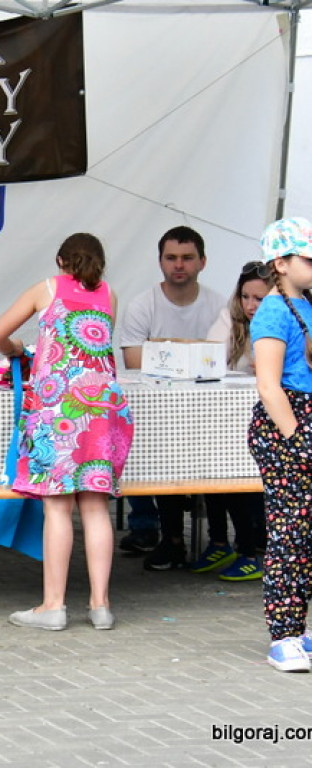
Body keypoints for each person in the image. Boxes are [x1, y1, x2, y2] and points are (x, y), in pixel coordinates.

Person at [0, 233, 133, 631]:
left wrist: (16, 348)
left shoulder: (46, 289)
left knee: (58, 507)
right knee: (96, 507)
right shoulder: (109, 295)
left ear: (59, 260)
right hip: (104, 407)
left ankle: (53, 606)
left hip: (60, 406)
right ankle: (101, 606)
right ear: (101, 263)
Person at [118, 226, 227, 569]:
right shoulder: (142, 305)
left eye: (187, 258)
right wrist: (191, 362)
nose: (179, 265)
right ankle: (155, 531)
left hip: (207, 412)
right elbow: (133, 364)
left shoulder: (219, 305)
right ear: (160, 262)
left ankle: (222, 541)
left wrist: (169, 361)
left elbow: (225, 360)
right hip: (156, 411)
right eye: (171, 258)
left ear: (203, 262)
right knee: (144, 444)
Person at [247, 217, 312, 672]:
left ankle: (300, 632)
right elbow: (269, 385)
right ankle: (284, 634)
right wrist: (296, 437)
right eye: (308, 259)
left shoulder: (304, 303)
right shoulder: (273, 311)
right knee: (290, 531)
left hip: (303, 417)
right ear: (281, 263)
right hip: (287, 423)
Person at [192, 262, 269, 581]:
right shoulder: (230, 317)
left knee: (238, 475)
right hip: (232, 418)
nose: (250, 305)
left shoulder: (283, 321)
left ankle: (249, 551)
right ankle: (220, 542)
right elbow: (208, 359)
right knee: (212, 463)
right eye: (245, 296)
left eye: (259, 298)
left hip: (270, 422)